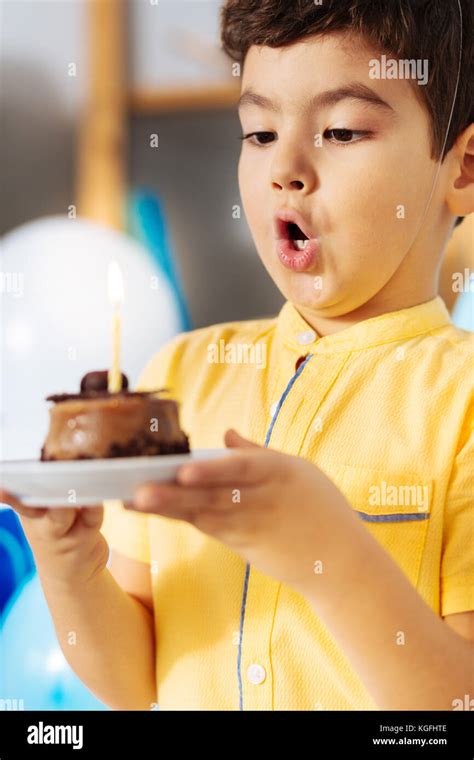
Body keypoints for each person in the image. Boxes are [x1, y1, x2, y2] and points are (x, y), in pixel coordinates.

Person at [2, 0, 473, 711]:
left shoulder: (464, 400)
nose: (286, 167)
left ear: (463, 167)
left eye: (341, 130)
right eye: (259, 133)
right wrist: (70, 566)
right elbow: (135, 681)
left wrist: (332, 558)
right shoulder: (176, 380)